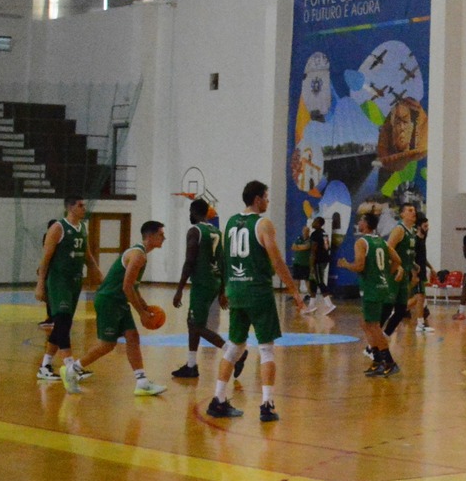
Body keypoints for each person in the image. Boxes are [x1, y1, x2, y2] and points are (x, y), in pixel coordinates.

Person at [207, 180, 299, 422]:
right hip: (258, 292)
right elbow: (277, 261)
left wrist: (225, 288)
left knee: (235, 346)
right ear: (257, 199)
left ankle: (218, 399)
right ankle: (267, 404)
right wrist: (295, 291)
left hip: (236, 291)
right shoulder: (263, 224)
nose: (268, 202)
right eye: (266, 197)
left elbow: (224, 258)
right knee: (267, 349)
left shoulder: (229, 223)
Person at [65, 221, 167, 396]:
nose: (164, 237)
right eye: (161, 234)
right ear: (149, 236)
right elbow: (127, 287)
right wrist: (141, 313)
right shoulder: (138, 256)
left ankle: (142, 382)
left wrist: (144, 305)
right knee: (107, 345)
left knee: (133, 337)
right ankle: (72, 370)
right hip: (109, 300)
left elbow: (133, 286)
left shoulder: (141, 254)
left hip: (119, 301)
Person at [170, 198, 232, 380]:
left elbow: (189, 261)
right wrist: (222, 290)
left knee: (196, 325)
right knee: (193, 323)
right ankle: (191, 365)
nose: (189, 214)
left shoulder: (194, 231)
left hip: (202, 283)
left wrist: (180, 288)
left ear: (195, 211)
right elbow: (223, 262)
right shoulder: (216, 231)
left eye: (190, 211)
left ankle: (232, 351)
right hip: (214, 281)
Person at [33, 198, 91, 384]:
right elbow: (46, 258)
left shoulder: (82, 228)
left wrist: (96, 270)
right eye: (80, 205)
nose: (84, 208)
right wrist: (40, 283)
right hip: (59, 281)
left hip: (75, 281)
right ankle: (70, 366)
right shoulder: (58, 228)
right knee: (63, 321)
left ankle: (45, 366)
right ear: (70, 207)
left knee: (62, 325)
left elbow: (87, 253)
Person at [348, 210, 401, 378]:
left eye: (361, 220)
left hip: (371, 288)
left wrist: (346, 265)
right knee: (366, 324)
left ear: (366, 224)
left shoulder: (361, 242)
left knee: (373, 326)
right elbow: (397, 261)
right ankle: (378, 360)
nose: (359, 223)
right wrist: (385, 274)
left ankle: (389, 361)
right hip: (382, 287)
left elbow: (360, 266)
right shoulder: (382, 242)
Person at [384, 203, 424, 340]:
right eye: (410, 210)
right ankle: (374, 342)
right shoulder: (399, 230)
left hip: (405, 275)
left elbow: (405, 253)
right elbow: (388, 248)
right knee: (387, 309)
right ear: (402, 214)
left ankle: (382, 337)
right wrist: (398, 265)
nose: (414, 212)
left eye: (414, 210)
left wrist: (413, 264)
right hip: (395, 274)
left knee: (401, 310)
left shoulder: (412, 231)